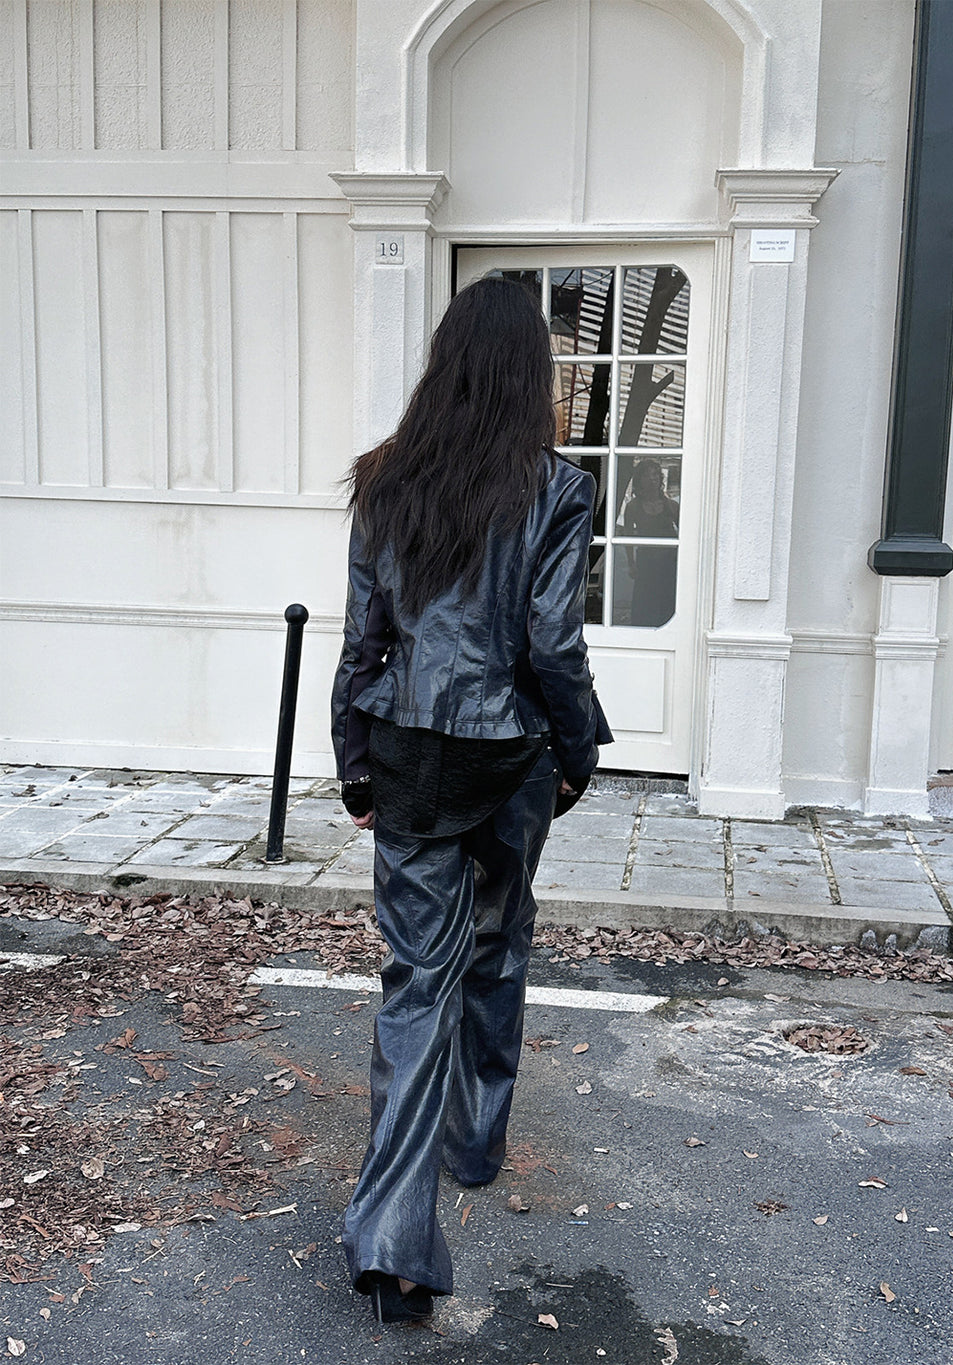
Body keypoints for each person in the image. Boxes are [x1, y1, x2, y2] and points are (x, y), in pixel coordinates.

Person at [330, 276, 612, 1325]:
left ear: (442, 363)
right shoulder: (558, 488)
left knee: (417, 983)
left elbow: (363, 640)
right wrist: (577, 750)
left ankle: (394, 1246)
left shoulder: (385, 478)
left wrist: (353, 763)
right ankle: (475, 1143)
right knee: (497, 942)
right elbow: (552, 642)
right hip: (510, 758)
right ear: (531, 373)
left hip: (408, 754)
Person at [623, 458, 679, 627]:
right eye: (647, 475)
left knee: (667, 601)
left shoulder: (671, 506)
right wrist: (631, 563)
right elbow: (627, 537)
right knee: (645, 602)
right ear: (639, 479)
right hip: (646, 562)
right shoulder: (633, 507)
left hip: (668, 561)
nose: (652, 479)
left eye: (655, 474)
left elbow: (684, 535)